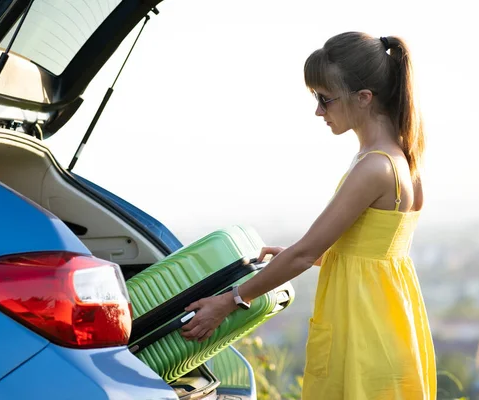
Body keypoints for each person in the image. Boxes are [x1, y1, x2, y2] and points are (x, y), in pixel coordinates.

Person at [180, 32, 436, 399]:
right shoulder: (404, 160)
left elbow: (304, 254)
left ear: (363, 98)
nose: (318, 110)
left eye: (324, 98)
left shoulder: (374, 167)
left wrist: (229, 302)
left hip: (363, 335)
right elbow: (371, 251)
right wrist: (304, 255)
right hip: (391, 329)